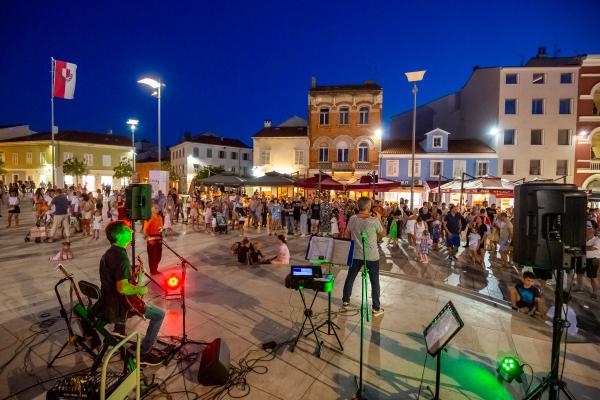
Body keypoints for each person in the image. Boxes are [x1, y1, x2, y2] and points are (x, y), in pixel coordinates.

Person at [91, 220, 165, 366]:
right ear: (119, 236)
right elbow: (123, 288)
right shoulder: (121, 257)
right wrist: (140, 289)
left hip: (108, 302)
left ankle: (121, 335)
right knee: (159, 315)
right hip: (121, 305)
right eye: (127, 230)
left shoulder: (108, 253)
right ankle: (144, 351)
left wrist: (132, 273)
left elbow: (114, 278)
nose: (131, 232)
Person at [342, 197, 385, 317]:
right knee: (374, 281)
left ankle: (346, 300)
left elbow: (347, 234)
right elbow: (383, 233)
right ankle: (376, 308)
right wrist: (379, 219)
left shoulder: (352, 219)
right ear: (368, 206)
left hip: (356, 253)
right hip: (371, 256)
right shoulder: (373, 220)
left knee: (350, 277)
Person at [574, 222, 600, 299]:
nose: (587, 231)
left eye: (589, 230)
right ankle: (580, 287)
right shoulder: (583, 239)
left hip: (592, 260)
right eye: (586, 230)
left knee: (593, 277)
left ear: (593, 231)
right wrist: (585, 247)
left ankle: (595, 292)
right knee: (579, 273)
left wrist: (581, 247)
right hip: (581, 257)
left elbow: (591, 248)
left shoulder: (597, 240)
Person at [143, 205, 164, 275]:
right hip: (151, 239)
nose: (157, 209)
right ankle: (153, 270)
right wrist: (149, 239)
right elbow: (145, 231)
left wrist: (161, 237)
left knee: (159, 256)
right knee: (152, 257)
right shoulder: (148, 218)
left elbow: (160, 228)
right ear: (151, 209)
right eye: (155, 208)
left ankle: (154, 268)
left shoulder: (160, 217)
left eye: (158, 208)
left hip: (158, 238)